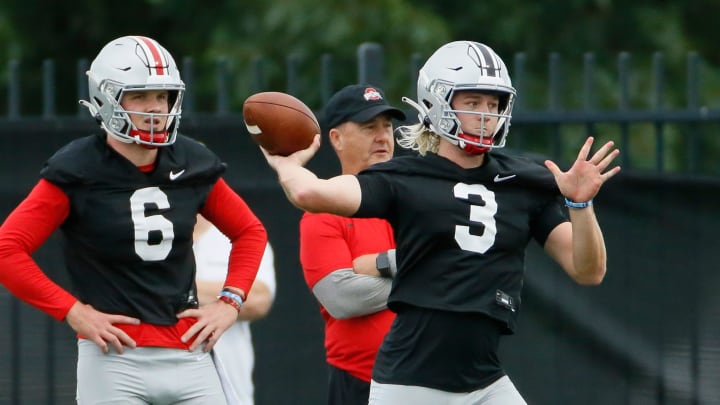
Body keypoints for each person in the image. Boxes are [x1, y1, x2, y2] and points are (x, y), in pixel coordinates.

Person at [259, 41, 621, 404]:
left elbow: (588, 270)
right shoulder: (406, 178)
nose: (486, 115)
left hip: (484, 379)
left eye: (494, 104)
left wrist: (580, 203)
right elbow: (311, 195)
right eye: (473, 103)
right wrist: (287, 165)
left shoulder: (523, 182)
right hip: (410, 384)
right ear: (436, 101)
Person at [0, 35, 267, 404]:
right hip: (115, 359)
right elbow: (7, 249)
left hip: (190, 352)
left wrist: (229, 301)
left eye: (162, 96)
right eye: (139, 96)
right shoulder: (78, 168)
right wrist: (72, 311)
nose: (155, 108)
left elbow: (250, 231)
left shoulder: (191, 160)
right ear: (105, 98)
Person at [299, 84, 406, 405]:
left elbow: (456, 266)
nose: (382, 136)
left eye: (387, 126)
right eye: (368, 127)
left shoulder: (421, 198)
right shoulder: (324, 211)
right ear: (336, 138)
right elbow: (343, 298)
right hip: (360, 384)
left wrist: (378, 265)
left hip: (430, 378)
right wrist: (422, 275)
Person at [193, 214, 277, 405]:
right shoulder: (143, 237)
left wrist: (176, 291)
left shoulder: (243, 235)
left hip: (229, 392)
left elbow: (259, 298)